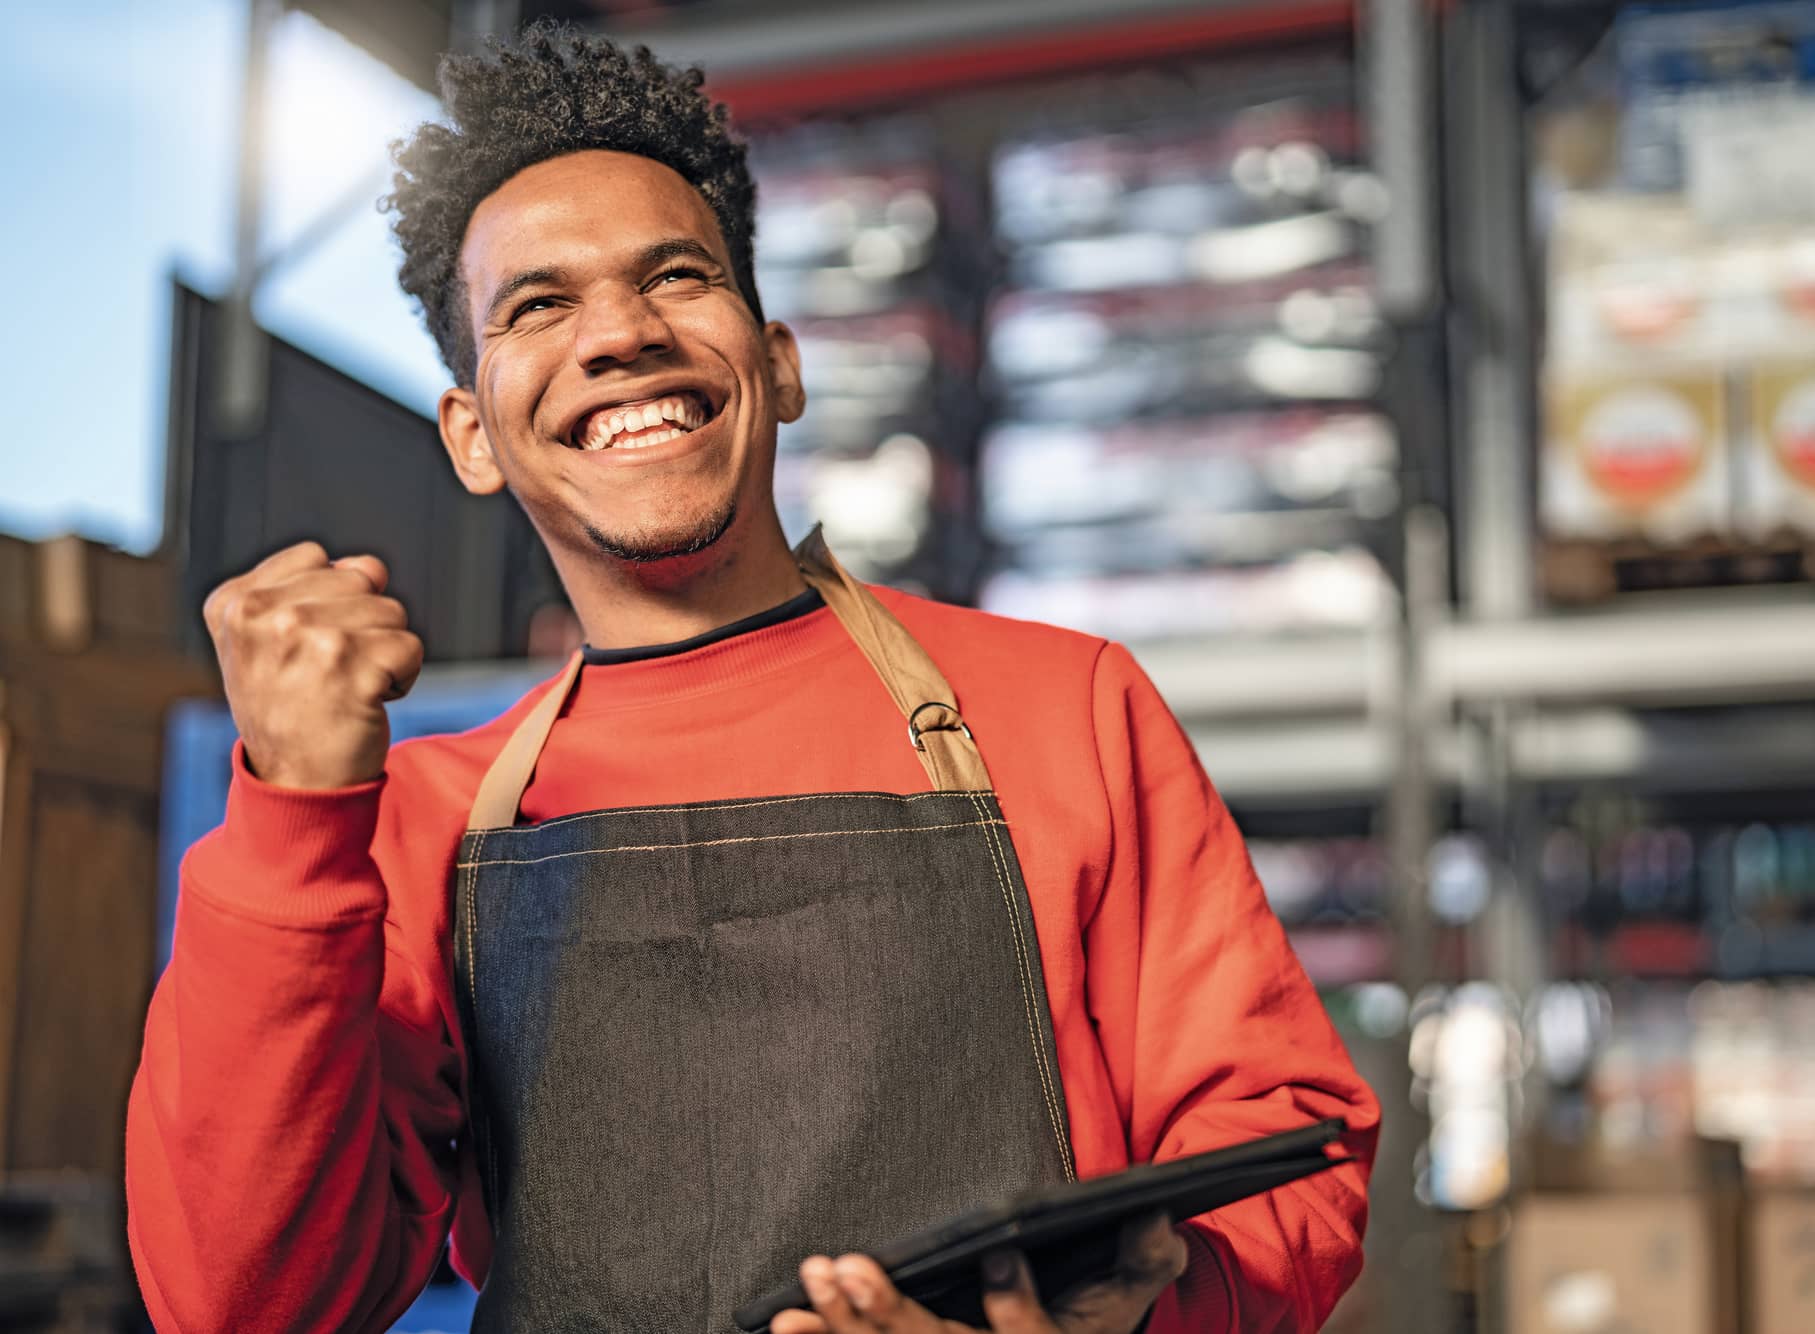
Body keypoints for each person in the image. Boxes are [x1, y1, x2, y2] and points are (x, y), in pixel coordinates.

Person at [125, 23, 1377, 1334]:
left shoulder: (1069, 710)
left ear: (777, 364)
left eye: (673, 275)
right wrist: (288, 809)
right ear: (472, 434)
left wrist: (1111, 1321)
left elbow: (1293, 1150)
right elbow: (240, 1300)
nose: (619, 332)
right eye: (539, 303)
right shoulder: (416, 821)